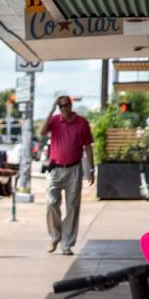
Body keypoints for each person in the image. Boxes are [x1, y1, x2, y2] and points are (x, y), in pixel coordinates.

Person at [40, 95, 95, 255]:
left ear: (71, 105)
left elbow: (88, 147)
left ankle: (67, 243)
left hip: (74, 168)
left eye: (66, 105)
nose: (63, 109)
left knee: (72, 206)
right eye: (60, 106)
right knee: (51, 203)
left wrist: (91, 169)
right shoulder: (55, 121)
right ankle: (55, 236)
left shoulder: (81, 122)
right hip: (55, 168)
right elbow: (42, 132)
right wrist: (51, 109)